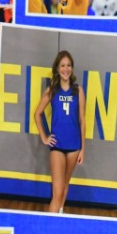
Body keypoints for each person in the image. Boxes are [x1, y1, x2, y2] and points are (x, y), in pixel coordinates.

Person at [34, 50, 86, 214]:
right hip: (57, 145)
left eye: (69, 65)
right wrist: (44, 137)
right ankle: (51, 222)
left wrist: (82, 149)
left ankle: (60, 213)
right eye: (62, 65)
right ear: (57, 68)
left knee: (65, 184)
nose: (66, 69)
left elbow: (82, 120)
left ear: (72, 68)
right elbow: (37, 113)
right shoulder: (52, 90)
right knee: (57, 192)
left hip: (74, 146)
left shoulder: (78, 90)